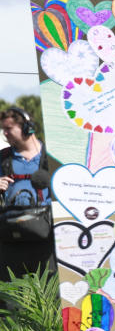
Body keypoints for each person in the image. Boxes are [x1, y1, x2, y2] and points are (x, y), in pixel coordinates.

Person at [0, 107, 54, 280]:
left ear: (27, 128)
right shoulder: (3, 157)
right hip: (11, 235)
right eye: (3, 129)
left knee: (48, 291)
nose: (5, 133)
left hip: (45, 236)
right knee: (12, 296)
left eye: (9, 128)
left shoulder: (51, 156)